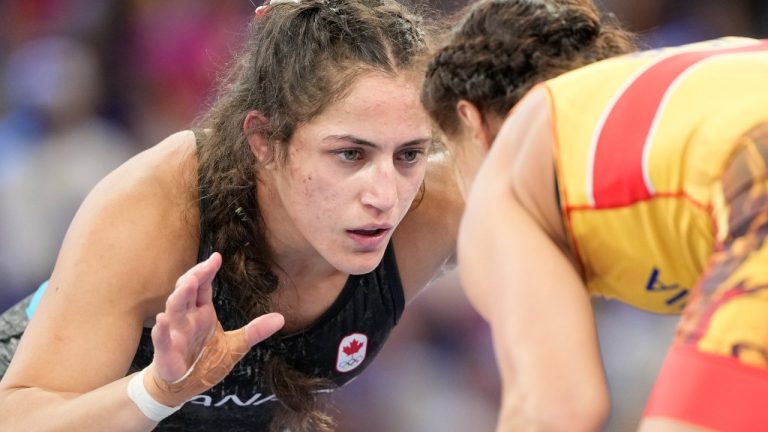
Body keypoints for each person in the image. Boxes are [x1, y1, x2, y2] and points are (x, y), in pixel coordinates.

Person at [0, 0, 462, 431]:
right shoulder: (159, 204)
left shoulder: (438, 206)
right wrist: (156, 391)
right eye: (349, 154)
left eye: (409, 155)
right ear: (264, 140)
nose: (385, 195)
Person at [421, 0, 768, 431]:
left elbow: (556, 412)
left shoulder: (508, 167)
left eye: (454, 161)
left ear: (472, 122)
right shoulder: (675, 86)